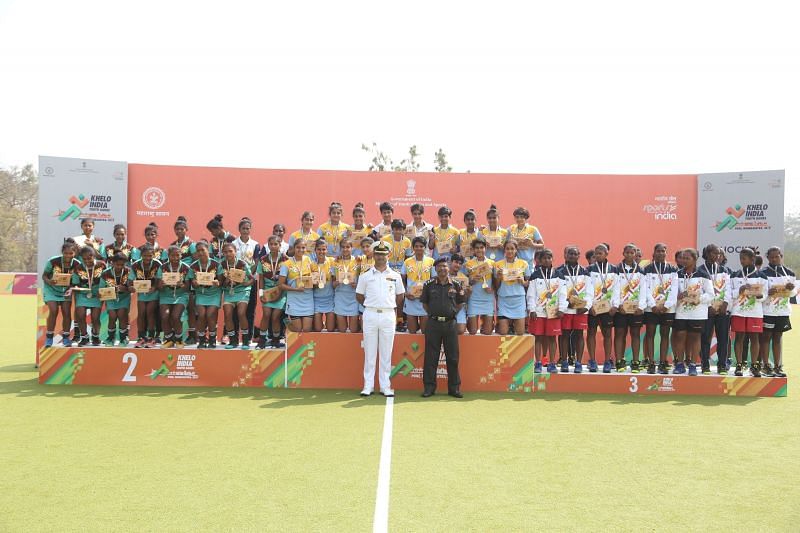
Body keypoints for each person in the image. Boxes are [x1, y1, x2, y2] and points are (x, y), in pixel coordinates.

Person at [355, 241, 405, 397]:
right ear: (373, 255)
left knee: (386, 353)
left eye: (383, 254)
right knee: (369, 353)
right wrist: (371, 304)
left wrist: (388, 306)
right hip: (369, 313)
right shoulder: (365, 275)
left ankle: (385, 386)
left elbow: (400, 296)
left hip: (388, 314)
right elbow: (359, 295)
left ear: (388, 255)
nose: (380, 257)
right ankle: (368, 386)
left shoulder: (395, 276)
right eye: (378, 254)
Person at [420, 257, 466, 398]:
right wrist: (434, 314)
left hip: (450, 324)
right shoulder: (428, 284)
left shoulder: (457, 284)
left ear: (449, 268)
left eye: (444, 266)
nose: (442, 269)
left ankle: (454, 389)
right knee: (430, 357)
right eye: (439, 266)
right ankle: (429, 388)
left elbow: (460, 303)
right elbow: (425, 304)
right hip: (433, 324)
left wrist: (451, 313)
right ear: (435, 269)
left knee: (452, 357)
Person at [672, 248, 714, 376]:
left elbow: (711, 295)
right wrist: (678, 296)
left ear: (695, 259)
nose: (684, 260)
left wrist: (698, 298)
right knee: (680, 336)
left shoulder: (703, 275)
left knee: (695, 338)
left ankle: (693, 365)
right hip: (681, 312)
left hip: (698, 313)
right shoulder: (677, 274)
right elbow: (672, 293)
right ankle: (679, 364)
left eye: (687, 258)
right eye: (683, 258)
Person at [527, 248, 567, 373]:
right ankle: (538, 362)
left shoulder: (559, 275)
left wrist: (561, 308)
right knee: (538, 337)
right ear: (539, 260)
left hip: (553, 312)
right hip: (538, 311)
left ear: (552, 259)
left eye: (549, 258)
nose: (547, 260)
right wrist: (532, 309)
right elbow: (531, 294)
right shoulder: (535, 275)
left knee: (552, 338)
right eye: (544, 258)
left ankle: (552, 363)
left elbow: (562, 293)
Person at [730, 248, 768, 376]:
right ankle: (739, 365)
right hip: (739, 311)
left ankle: (754, 365)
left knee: (754, 338)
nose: (741, 261)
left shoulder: (761, 276)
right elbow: (731, 294)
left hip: (755, 312)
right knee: (739, 337)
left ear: (752, 259)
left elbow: (765, 295)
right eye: (740, 258)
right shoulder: (735, 275)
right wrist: (739, 290)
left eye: (744, 258)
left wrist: (759, 296)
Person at [556, 245, 593, 373]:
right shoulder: (559, 272)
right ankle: (564, 361)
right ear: (566, 255)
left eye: (575, 254)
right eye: (570, 254)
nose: (572, 256)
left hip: (580, 310)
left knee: (579, 335)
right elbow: (557, 292)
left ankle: (578, 362)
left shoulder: (585, 272)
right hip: (566, 310)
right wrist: (562, 306)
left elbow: (590, 291)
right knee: (564, 334)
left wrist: (586, 307)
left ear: (579, 256)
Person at [760, 246, 796, 377]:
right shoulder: (763, 273)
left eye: (777, 256)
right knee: (765, 338)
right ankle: (765, 366)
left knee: (778, 338)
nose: (774, 259)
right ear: (767, 258)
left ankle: (777, 366)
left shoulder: (789, 273)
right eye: (771, 257)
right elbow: (760, 293)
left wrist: (791, 289)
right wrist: (767, 293)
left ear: (781, 256)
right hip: (768, 311)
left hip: (782, 311)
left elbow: (792, 294)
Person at [643, 243, 678, 374]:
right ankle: (651, 362)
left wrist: (666, 305)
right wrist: (652, 305)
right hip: (651, 309)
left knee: (665, 335)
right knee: (650, 334)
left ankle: (663, 362)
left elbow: (674, 289)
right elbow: (645, 288)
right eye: (658, 251)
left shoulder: (673, 269)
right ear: (654, 253)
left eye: (663, 251)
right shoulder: (647, 269)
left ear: (666, 253)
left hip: (667, 309)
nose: (660, 253)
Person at [699, 244, 732, 374]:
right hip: (707, 310)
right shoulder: (700, 271)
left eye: (718, 253)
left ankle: (722, 365)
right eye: (713, 253)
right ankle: (705, 364)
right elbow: (699, 291)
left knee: (723, 338)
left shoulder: (725, 270)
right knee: (705, 338)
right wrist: (708, 306)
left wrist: (725, 303)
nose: (716, 256)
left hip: (723, 310)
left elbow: (728, 289)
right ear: (707, 254)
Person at [614, 244, 647, 372]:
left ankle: (635, 361)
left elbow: (643, 289)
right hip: (621, 309)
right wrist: (618, 305)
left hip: (636, 309)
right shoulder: (617, 269)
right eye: (627, 252)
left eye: (632, 253)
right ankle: (619, 360)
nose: (629, 255)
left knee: (635, 334)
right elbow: (615, 288)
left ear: (635, 254)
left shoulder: (641, 270)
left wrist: (641, 306)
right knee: (620, 334)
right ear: (623, 253)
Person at [587, 244, 619, 373]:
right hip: (594, 308)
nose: (597, 255)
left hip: (608, 308)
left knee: (607, 334)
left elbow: (617, 288)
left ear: (606, 254)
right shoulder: (589, 269)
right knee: (591, 333)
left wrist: (615, 305)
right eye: (596, 254)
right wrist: (589, 307)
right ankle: (592, 361)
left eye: (600, 253)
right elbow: (587, 289)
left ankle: (607, 361)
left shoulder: (614, 269)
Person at [42, 242, 79, 347]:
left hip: (65, 291)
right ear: (62, 252)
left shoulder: (77, 264)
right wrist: (49, 281)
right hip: (51, 290)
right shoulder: (53, 261)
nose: (68, 256)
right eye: (65, 253)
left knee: (66, 312)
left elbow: (75, 282)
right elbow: (44, 276)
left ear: (74, 253)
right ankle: (49, 338)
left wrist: (70, 289)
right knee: (53, 311)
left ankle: (66, 338)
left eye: (70, 253)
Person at [256, 235, 289, 348]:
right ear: (268, 245)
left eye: (276, 244)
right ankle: (262, 340)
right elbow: (260, 278)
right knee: (266, 314)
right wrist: (260, 293)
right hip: (268, 292)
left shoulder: (286, 260)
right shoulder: (263, 259)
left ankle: (275, 339)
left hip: (281, 292)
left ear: (280, 245)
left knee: (275, 316)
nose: (273, 246)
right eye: (271, 244)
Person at [220, 241, 254, 348]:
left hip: (242, 291)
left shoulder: (242, 264)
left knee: (241, 313)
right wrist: (227, 280)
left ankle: (244, 340)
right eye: (225, 252)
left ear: (235, 252)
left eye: (230, 251)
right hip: (229, 292)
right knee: (228, 314)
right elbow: (221, 284)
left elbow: (252, 279)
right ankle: (233, 341)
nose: (228, 254)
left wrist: (245, 283)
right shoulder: (221, 265)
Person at [157, 245, 192, 348]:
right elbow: (158, 286)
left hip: (181, 295)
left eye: (178, 255)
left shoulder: (186, 267)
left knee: (176, 316)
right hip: (166, 295)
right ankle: (169, 339)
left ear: (181, 255)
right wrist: (162, 284)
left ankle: (179, 339)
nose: (175, 258)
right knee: (164, 316)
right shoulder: (162, 267)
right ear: (168, 256)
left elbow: (188, 287)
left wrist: (182, 285)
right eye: (173, 255)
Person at [494, 240, 531, 335]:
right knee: (503, 332)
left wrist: (523, 282)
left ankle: (512, 327)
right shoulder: (498, 265)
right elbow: (496, 286)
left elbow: (528, 284)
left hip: (518, 300)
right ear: (504, 250)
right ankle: (507, 327)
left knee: (520, 332)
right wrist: (498, 278)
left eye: (512, 249)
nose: (510, 251)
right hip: (504, 300)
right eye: (507, 249)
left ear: (516, 250)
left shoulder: (524, 263)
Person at [190, 241, 222, 349]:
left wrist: (217, 282)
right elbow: (192, 284)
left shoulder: (216, 264)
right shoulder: (193, 266)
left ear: (208, 250)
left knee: (210, 315)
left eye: (202, 250)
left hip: (214, 294)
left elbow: (221, 281)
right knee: (201, 315)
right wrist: (194, 283)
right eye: (198, 251)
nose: (200, 253)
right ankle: (202, 340)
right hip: (201, 294)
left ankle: (212, 339)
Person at [172, 216, 198, 345]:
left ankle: (192, 335)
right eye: (177, 229)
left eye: (182, 229)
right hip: (176, 281)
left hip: (188, 276)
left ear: (186, 230)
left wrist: (188, 273)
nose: (179, 231)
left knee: (191, 308)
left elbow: (195, 261)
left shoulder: (191, 244)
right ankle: (177, 336)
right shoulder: (172, 245)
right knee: (177, 310)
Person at [278, 239, 315, 332]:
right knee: (297, 329)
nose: (301, 250)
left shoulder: (309, 260)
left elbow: (314, 276)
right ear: (294, 248)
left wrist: (315, 282)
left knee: (306, 329)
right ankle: (286, 322)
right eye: (298, 247)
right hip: (294, 300)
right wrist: (295, 289)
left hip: (308, 299)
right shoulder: (286, 264)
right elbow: (280, 285)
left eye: (303, 248)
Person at [72, 246, 105, 346]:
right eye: (84, 259)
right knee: (80, 314)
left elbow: (107, 278)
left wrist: (102, 290)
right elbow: (75, 283)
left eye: (89, 258)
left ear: (93, 256)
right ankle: (84, 337)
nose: (87, 261)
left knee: (95, 317)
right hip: (83, 294)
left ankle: (96, 336)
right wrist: (76, 287)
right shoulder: (78, 268)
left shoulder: (101, 265)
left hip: (97, 294)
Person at [233, 217, 259, 342]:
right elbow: (230, 262)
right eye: (243, 228)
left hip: (251, 280)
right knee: (235, 310)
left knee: (250, 309)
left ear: (250, 229)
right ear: (239, 229)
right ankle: (234, 336)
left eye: (247, 228)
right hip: (235, 280)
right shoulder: (233, 244)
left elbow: (257, 262)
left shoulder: (255, 245)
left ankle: (248, 337)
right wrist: (238, 276)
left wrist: (249, 275)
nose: (245, 230)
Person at [130, 244, 161, 348]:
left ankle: (151, 338)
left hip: (154, 292)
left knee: (150, 312)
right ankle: (141, 337)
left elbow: (159, 281)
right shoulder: (135, 265)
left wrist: (154, 288)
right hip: (141, 293)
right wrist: (132, 287)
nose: (147, 258)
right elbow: (130, 281)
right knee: (142, 312)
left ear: (153, 255)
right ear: (141, 255)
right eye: (145, 256)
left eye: (150, 256)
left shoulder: (157, 264)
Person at [401, 237, 435, 334]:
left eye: (421, 246)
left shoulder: (431, 261)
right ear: (413, 248)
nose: (418, 248)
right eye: (416, 246)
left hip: (425, 300)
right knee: (412, 331)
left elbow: (434, 279)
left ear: (425, 248)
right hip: (411, 298)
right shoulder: (407, 261)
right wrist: (406, 293)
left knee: (424, 331)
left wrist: (427, 295)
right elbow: (402, 278)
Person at [464, 239, 496, 335]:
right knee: (473, 331)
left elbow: (495, 280)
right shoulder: (468, 264)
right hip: (474, 298)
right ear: (473, 250)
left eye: (481, 247)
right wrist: (472, 280)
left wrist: (492, 288)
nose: (479, 250)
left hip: (487, 298)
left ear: (485, 248)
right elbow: (465, 282)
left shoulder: (492, 263)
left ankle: (489, 324)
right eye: (477, 248)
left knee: (487, 331)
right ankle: (468, 321)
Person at [100, 253, 132, 346]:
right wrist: (111, 290)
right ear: (112, 263)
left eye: (122, 265)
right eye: (117, 264)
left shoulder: (129, 272)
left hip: (124, 298)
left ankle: (123, 338)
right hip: (111, 299)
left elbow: (132, 287)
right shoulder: (105, 273)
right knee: (112, 316)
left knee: (122, 315)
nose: (120, 267)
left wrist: (125, 288)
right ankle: (111, 337)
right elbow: (101, 290)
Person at [333, 237, 360, 334]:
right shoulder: (335, 261)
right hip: (340, 296)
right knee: (342, 330)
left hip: (353, 297)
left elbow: (362, 280)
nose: (345, 249)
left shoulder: (358, 261)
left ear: (352, 248)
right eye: (343, 247)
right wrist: (336, 283)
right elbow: (332, 284)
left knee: (353, 330)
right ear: (340, 248)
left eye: (348, 247)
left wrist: (356, 285)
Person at [311, 239, 336, 332]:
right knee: (318, 329)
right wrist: (314, 284)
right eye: (319, 249)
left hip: (330, 298)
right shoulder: (311, 264)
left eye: (323, 249)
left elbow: (335, 280)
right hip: (316, 299)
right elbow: (310, 285)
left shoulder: (332, 261)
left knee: (330, 329)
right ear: (315, 250)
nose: (321, 252)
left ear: (327, 250)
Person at [448, 254, 470, 334]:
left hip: (459, 306)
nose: (458, 265)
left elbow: (465, 296)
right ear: (450, 262)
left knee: (460, 330)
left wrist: (468, 292)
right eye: (456, 262)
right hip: (445, 306)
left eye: (460, 263)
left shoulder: (464, 278)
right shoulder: (443, 275)